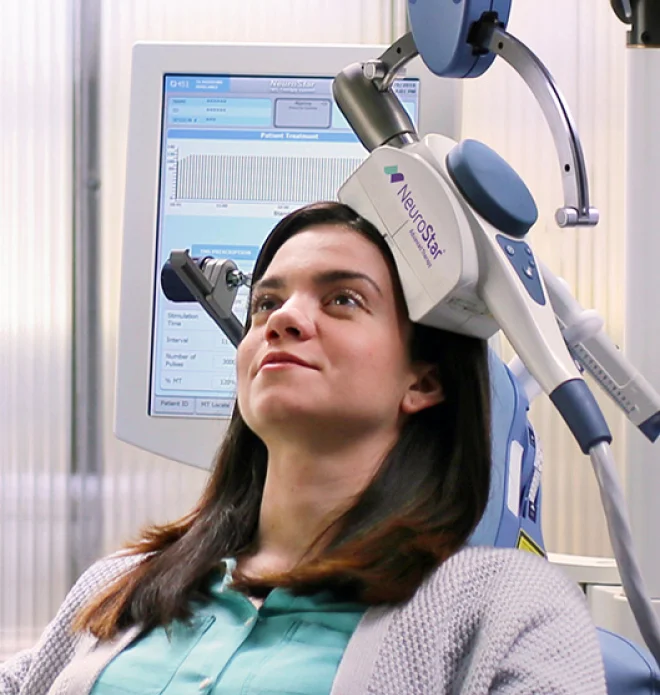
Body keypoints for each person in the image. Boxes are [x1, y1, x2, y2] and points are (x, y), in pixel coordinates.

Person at [1, 201, 606, 694]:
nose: (282, 319)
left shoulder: (502, 612)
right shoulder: (124, 583)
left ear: (424, 381)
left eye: (343, 299)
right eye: (267, 302)